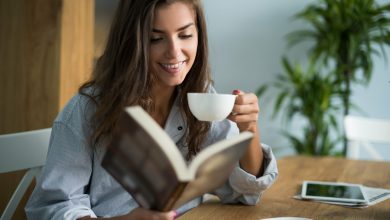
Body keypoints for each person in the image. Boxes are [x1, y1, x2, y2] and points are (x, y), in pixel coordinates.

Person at [25, 0, 278, 219]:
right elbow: (52, 208)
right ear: (131, 42)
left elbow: (243, 193)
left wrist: (250, 129)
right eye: (156, 38)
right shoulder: (87, 109)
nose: (174, 52)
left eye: (185, 35)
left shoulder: (201, 99)